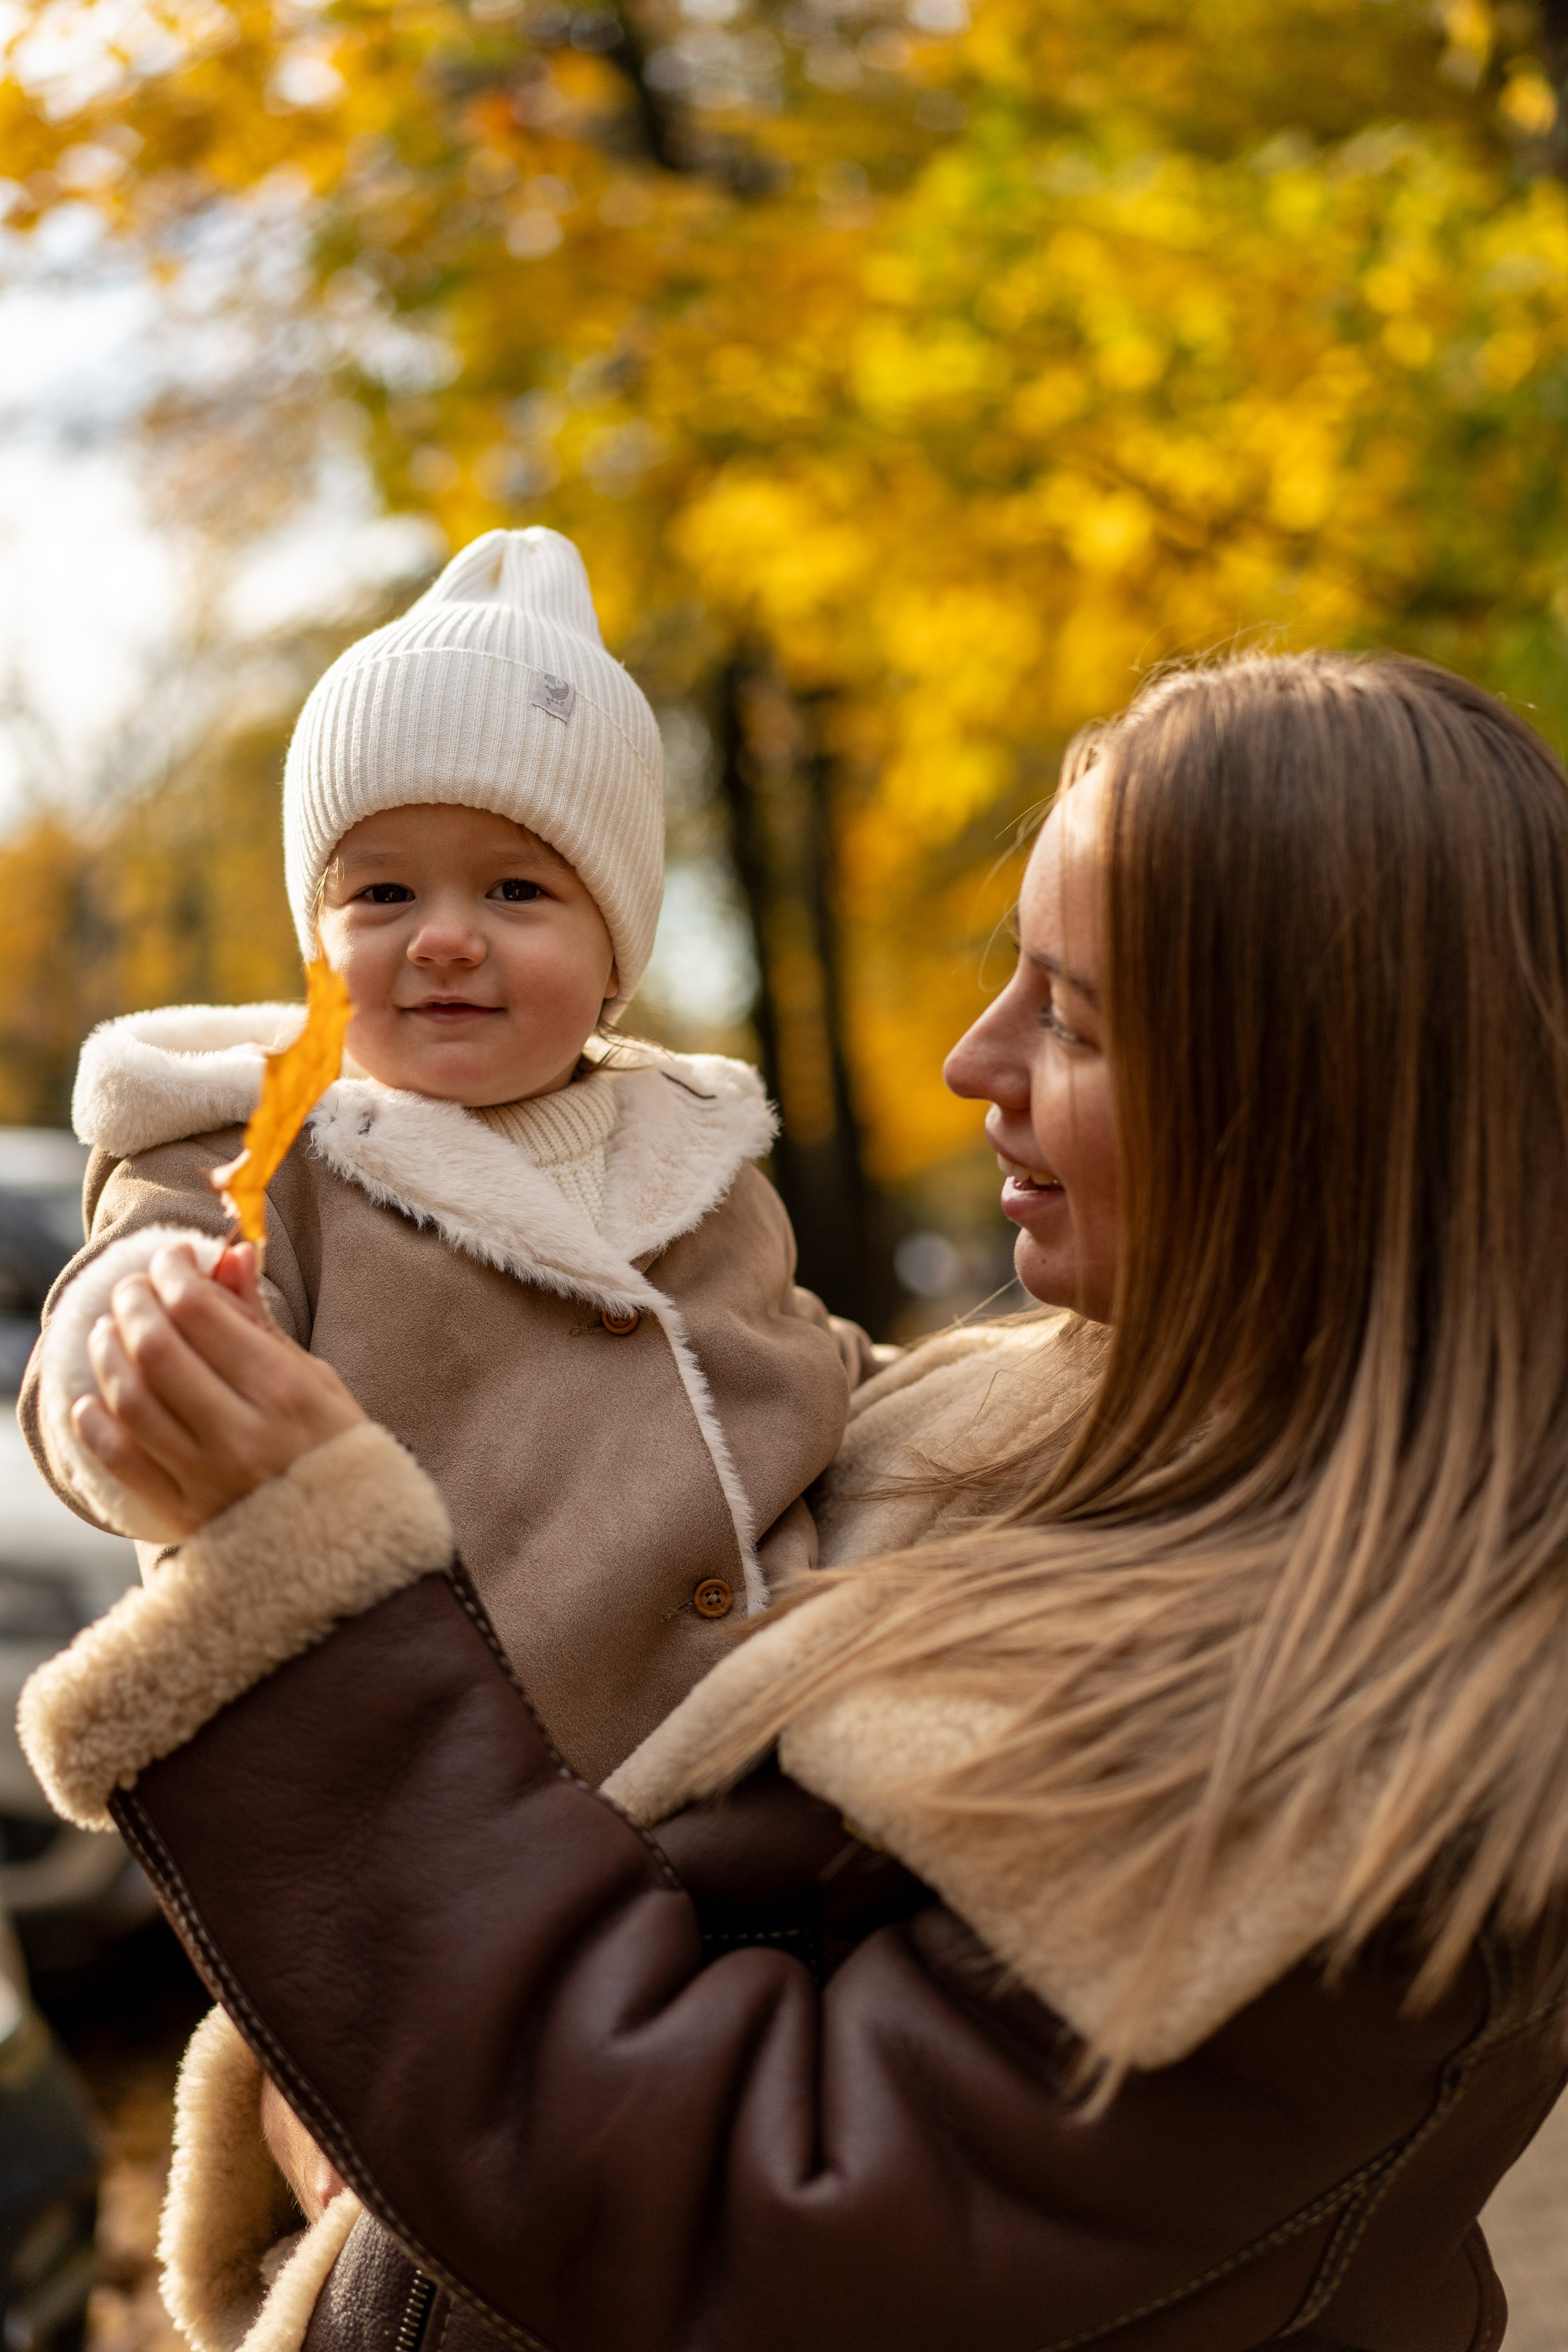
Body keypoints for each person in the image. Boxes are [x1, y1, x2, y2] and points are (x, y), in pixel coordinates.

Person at [23, 649, 1568, 2352]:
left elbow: (747, 2234)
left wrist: (303, 1602)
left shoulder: (1365, 1740)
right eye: (1010, 980)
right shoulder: (1018, 1423)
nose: (972, 1058)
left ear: (1314, 1112)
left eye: (1071, 1018)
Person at [21, 526, 884, 1785]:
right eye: (381, 895)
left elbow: (800, 1362)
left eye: (515, 891)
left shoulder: (700, 1164)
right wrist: (141, 1334)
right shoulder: (258, 1158)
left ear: (617, 948)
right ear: (318, 943)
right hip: (440, 1798)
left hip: (766, 1764)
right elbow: (112, 1335)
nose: (442, 940)